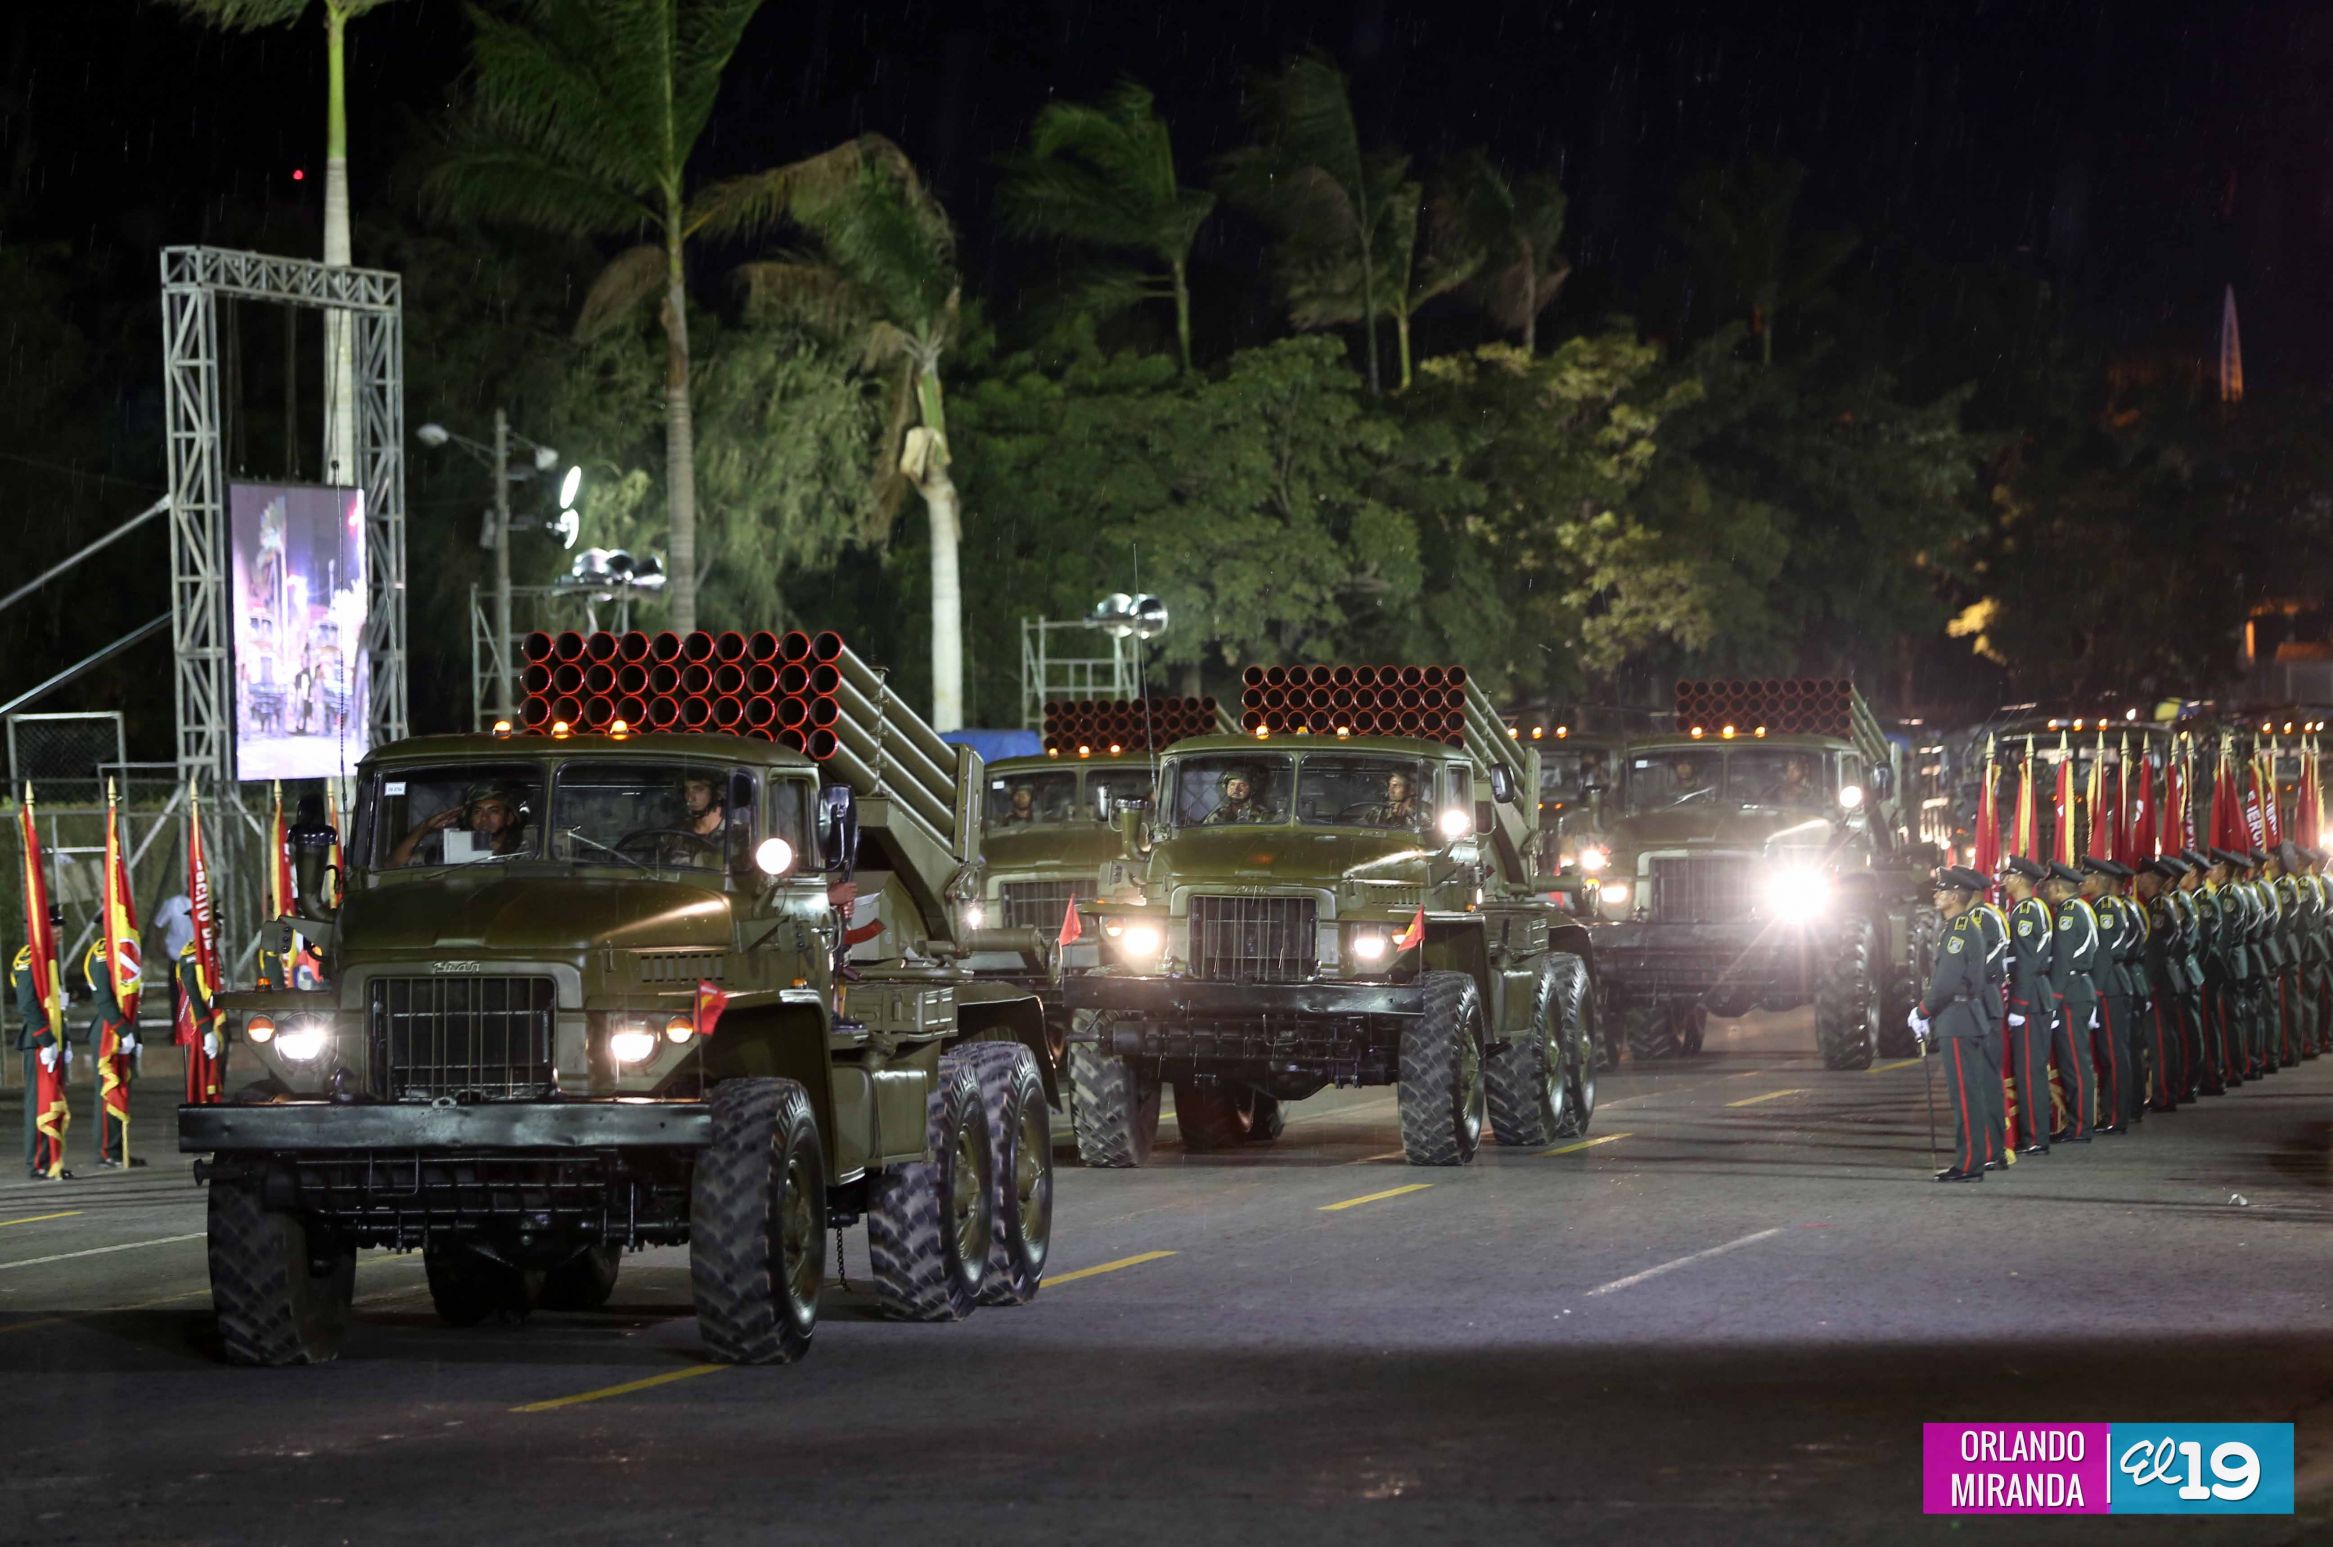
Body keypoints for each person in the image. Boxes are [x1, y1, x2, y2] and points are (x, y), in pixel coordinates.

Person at [1909, 866, 2001, 1182]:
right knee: (1969, 1093)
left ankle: (1969, 1164)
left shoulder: (1959, 930)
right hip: (1965, 1018)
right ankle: (1971, 1160)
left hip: (1958, 1020)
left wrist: (1922, 1011)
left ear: (1953, 896)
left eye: (1940, 891)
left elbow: (1946, 983)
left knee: (1964, 1095)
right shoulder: (1962, 926)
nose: (1936, 895)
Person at [2043, 861, 2101, 1143]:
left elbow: (2062, 961)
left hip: (2070, 991)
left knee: (2074, 1062)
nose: (2047, 891)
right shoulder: (2082, 908)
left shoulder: (2067, 914)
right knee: (2076, 1059)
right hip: (2080, 987)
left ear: (2056, 887)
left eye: (2049, 887)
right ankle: (2081, 1123)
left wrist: (2053, 1000)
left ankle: (2080, 1126)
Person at [2001, 857, 2056, 1155]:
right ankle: (2037, 1133)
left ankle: (2034, 1136)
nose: (2004, 879)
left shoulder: (2025, 913)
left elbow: (2025, 963)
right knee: (2033, 1068)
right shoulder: (2033, 909)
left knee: (2029, 1070)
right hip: (2037, 995)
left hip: (2031, 998)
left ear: (2021, 879)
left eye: (2009, 875)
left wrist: (2018, 1007)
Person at [2079, 858, 2136, 1134]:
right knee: (2111, 1052)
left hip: (2109, 985)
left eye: (2088, 877)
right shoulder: (2105, 906)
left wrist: (2096, 991)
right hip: (2112, 982)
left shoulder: (2105, 908)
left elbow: (2103, 953)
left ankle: (2115, 1115)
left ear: (2100, 880)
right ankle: (2116, 1112)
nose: (2083, 882)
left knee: (2113, 1053)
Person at [10, 912, 69, 1181]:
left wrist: (63, 1038)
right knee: (39, 1103)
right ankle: (38, 1161)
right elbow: (27, 1004)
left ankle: (52, 1159)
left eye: (59, 926)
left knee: (53, 1101)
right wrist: (46, 1039)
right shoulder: (29, 957)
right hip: (39, 1042)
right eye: (53, 926)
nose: (59, 931)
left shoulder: (49, 957)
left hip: (52, 1040)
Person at [83, 939, 143, 1168]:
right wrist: (122, 1029)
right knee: (108, 1093)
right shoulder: (101, 953)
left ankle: (120, 1148)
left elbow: (133, 998)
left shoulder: (127, 946)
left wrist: (136, 1034)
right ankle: (106, 1150)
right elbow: (104, 998)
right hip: (109, 1032)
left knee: (122, 1091)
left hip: (126, 1030)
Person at [389, 782, 525, 867]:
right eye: (477, 812)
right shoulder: (449, 853)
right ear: (468, 818)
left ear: (509, 818)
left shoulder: (525, 853)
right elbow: (393, 865)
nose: (484, 819)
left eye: (493, 811)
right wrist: (425, 827)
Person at [174, 939, 226, 1105]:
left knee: (218, 1074)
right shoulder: (192, 954)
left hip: (217, 1021)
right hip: (200, 1026)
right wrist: (207, 1029)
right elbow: (194, 995)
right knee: (202, 1080)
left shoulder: (211, 950)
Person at [1206, 767, 1271, 825]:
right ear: (1226, 787)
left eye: (1242, 785)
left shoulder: (1263, 815)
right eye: (1232, 784)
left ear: (1252, 789)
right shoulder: (1218, 814)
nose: (1236, 789)